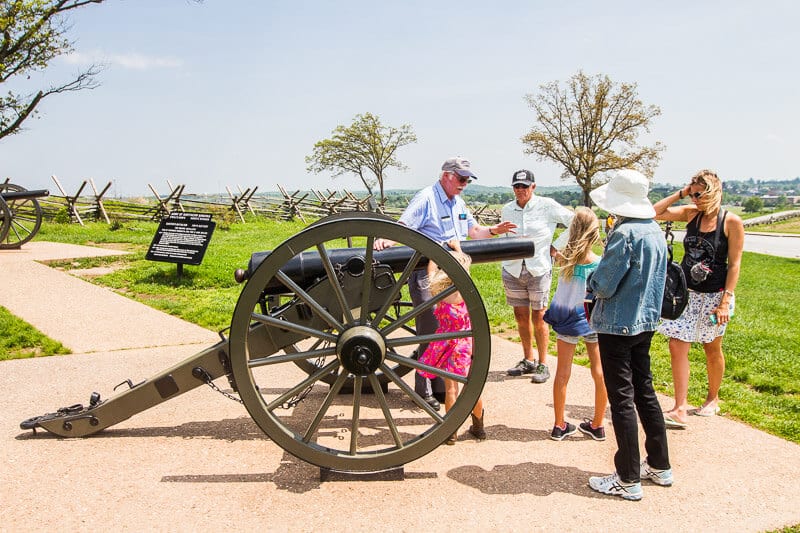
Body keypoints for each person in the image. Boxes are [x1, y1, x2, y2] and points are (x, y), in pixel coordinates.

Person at [374, 157, 517, 410]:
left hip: (454, 275)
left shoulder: (458, 202)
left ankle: (443, 385)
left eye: (467, 180)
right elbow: (404, 226)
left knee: (451, 330)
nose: (465, 184)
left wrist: (495, 230)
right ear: (447, 175)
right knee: (430, 330)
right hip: (427, 273)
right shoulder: (426, 198)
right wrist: (388, 241)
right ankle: (424, 389)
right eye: (461, 179)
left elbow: (474, 232)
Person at [586, 169, 673, 501]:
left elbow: (605, 285)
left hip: (617, 323)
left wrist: (591, 280)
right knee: (645, 392)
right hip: (647, 321)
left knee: (621, 399)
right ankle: (660, 464)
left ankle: (627, 476)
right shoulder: (654, 231)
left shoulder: (625, 234)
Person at [654, 169, 744, 428]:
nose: (694, 198)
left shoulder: (731, 222)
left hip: (715, 295)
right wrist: (681, 193)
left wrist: (725, 300)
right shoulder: (690, 214)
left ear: (712, 192)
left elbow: (735, 264)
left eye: (698, 193)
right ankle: (680, 407)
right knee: (676, 344)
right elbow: (654, 212)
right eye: (692, 193)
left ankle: (712, 399)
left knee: (711, 347)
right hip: (688, 294)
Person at [500, 169, 574, 384]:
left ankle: (543, 362)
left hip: (538, 267)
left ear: (533, 186)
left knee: (539, 316)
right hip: (513, 267)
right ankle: (528, 358)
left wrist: (556, 245)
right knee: (520, 316)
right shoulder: (507, 209)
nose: (520, 190)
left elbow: (574, 221)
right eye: (516, 186)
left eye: (524, 186)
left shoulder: (547, 205)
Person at [542, 207, 608, 441]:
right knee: (599, 371)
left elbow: (556, 247)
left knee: (562, 372)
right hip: (592, 320)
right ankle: (598, 423)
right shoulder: (599, 263)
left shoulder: (563, 259)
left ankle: (559, 424)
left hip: (566, 319)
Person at [417, 241, 485, 445]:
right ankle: (479, 427)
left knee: (451, 390)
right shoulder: (464, 292)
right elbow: (465, 267)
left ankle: (451, 431)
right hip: (466, 343)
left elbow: (430, 271)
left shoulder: (439, 293)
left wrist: (433, 255)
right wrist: (458, 250)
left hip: (445, 343)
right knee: (473, 388)